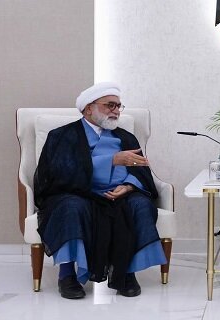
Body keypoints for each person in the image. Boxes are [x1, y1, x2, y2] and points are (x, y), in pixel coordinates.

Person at [34, 82, 167, 299]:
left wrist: (129, 185)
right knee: (70, 207)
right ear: (89, 108)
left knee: (141, 204)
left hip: (119, 194)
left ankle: (127, 273)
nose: (116, 111)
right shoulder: (62, 135)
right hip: (77, 193)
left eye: (118, 106)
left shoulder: (125, 137)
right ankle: (67, 275)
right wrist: (112, 160)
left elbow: (142, 170)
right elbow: (58, 172)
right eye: (110, 105)